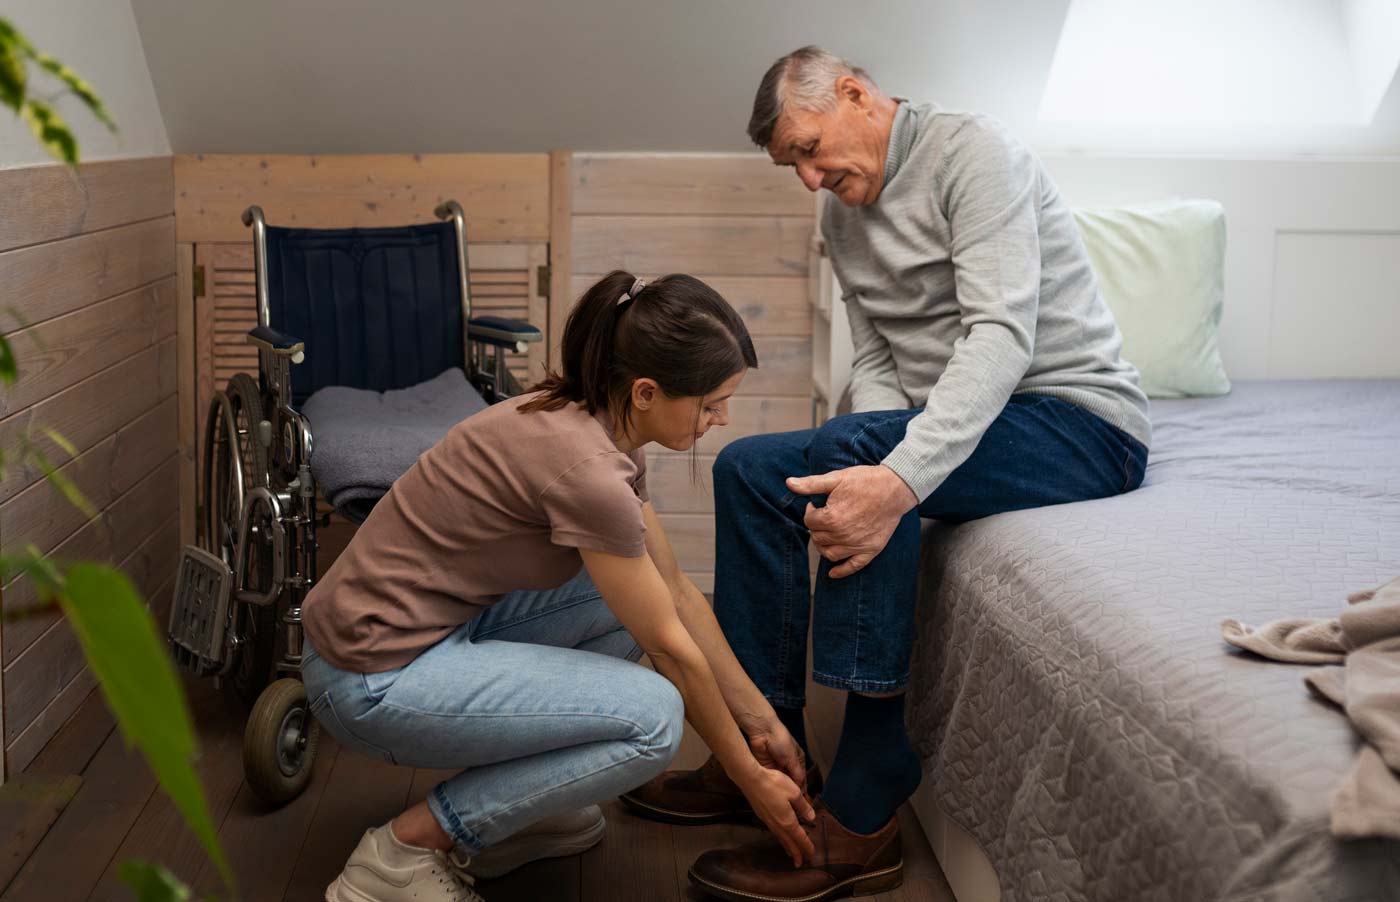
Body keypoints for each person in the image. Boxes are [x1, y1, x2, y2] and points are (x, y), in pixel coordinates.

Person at [623, 47, 1153, 902]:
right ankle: (771, 756)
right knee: (749, 468)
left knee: (857, 456)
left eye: (807, 147)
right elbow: (877, 362)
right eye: (790, 163)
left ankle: (866, 807)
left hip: (1072, 422)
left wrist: (893, 476)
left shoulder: (976, 155)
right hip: (967, 418)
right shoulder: (840, 215)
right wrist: (866, 455)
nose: (806, 176)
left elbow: (1000, 338)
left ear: (855, 94)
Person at [302, 271, 820, 902]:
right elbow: (670, 650)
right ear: (648, 391)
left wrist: (761, 723)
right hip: (368, 677)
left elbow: (676, 590)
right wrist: (747, 778)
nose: (722, 418)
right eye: (711, 404)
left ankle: (527, 808)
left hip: (429, 630)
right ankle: (405, 850)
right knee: (656, 720)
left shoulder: (597, 421)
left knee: (627, 597)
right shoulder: (589, 472)